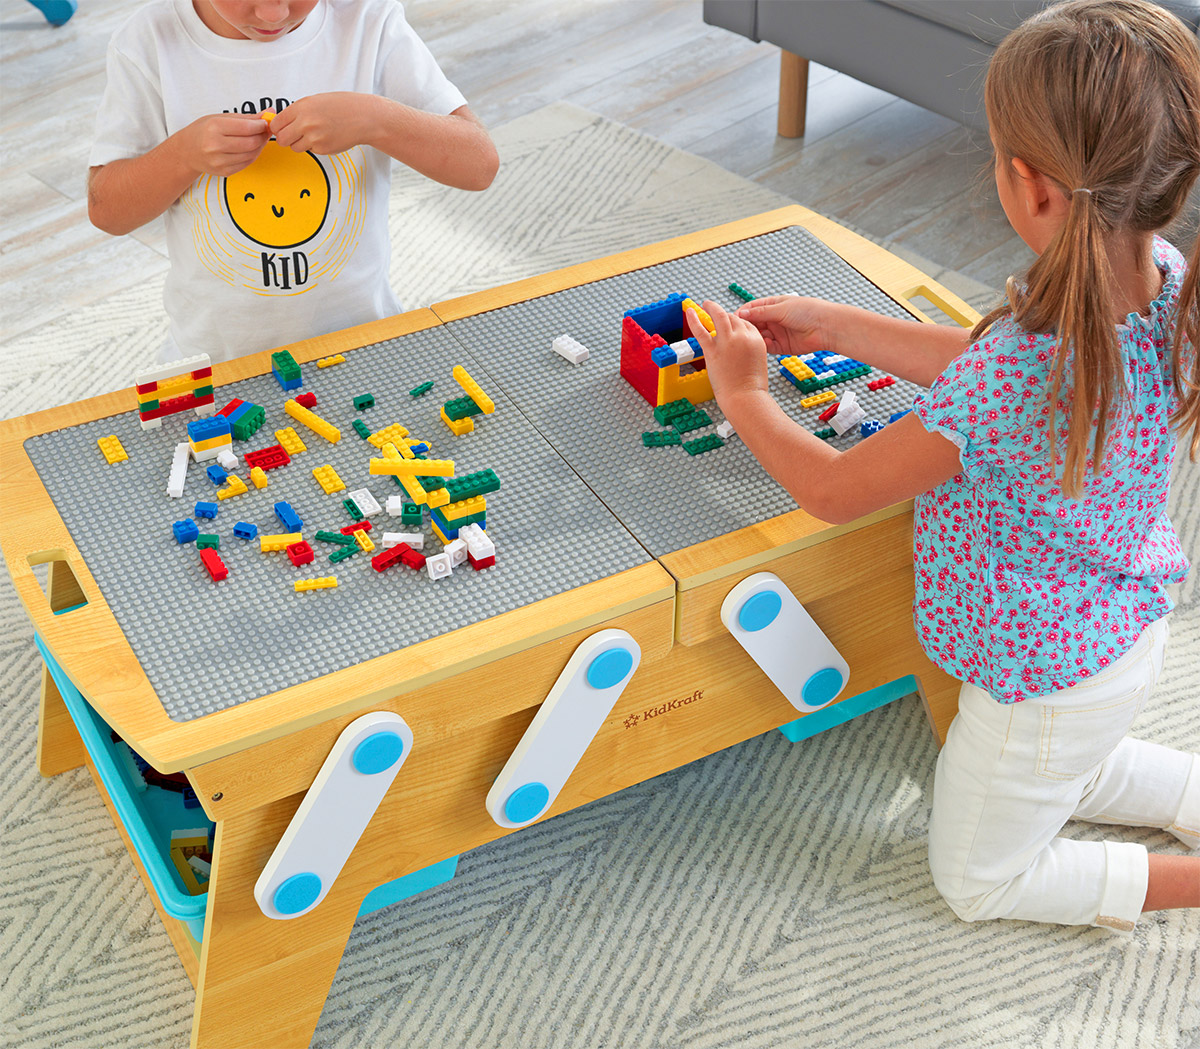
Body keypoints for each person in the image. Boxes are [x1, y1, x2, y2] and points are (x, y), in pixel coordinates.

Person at [686, 0, 1200, 933]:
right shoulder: (1161, 274)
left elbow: (833, 490)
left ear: (1027, 184)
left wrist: (745, 395)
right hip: (1115, 634)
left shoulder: (1019, 365)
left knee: (979, 879)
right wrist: (840, 325)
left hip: (1039, 681)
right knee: (1075, 759)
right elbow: (985, 364)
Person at [87, 1, 498, 364]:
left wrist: (376, 119)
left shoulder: (368, 21)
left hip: (367, 344)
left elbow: (479, 164)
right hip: (217, 361)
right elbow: (109, 211)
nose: (273, 13)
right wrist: (182, 154)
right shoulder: (149, 41)